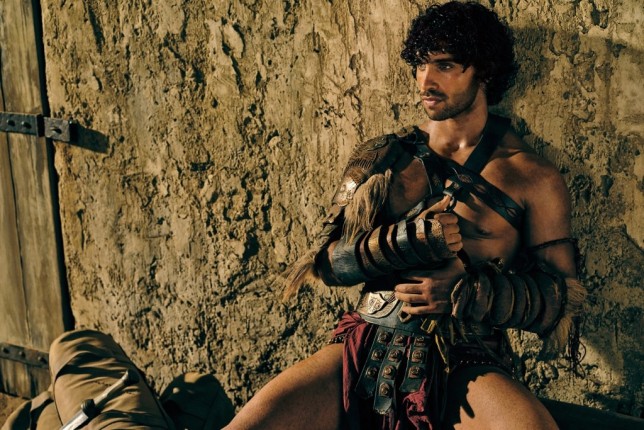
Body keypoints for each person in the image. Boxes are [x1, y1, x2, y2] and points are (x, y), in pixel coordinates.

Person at [224, 2, 585, 429]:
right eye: (419, 65)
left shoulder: (533, 177)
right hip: (365, 341)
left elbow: (562, 303)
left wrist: (466, 293)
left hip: (465, 354)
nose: (425, 81)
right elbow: (324, 265)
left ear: (484, 71)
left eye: (444, 65)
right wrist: (402, 242)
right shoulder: (383, 157)